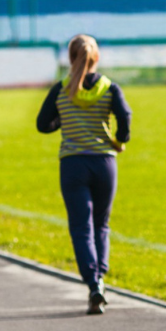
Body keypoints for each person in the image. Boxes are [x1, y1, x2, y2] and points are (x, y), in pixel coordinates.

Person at [37, 34, 131, 315]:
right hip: (104, 164)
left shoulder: (62, 89)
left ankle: (93, 283)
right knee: (101, 224)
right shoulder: (109, 88)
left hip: (73, 164)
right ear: (96, 58)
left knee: (81, 227)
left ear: (70, 58)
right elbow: (125, 116)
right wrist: (120, 139)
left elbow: (42, 124)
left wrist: (63, 120)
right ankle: (101, 276)